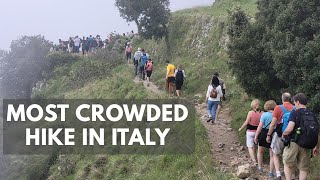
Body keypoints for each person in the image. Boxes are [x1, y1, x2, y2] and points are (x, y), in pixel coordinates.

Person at [282, 93, 319, 180]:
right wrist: (316, 146)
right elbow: (316, 132)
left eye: (294, 102)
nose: (294, 104)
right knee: (303, 168)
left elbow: (290, 128)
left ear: (298, 102)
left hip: (294, 142)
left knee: (288, 164)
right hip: (307, 144)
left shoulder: (295, 113)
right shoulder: (312, 114)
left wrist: (284, 134)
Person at [266, 92, 294, 180]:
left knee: (275, 153)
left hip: (279, 135)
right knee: (290, 156)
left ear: (282, 99)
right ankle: (291, 175)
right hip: (292, 136)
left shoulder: (278, 108)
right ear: (290, 99)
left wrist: (269, 135)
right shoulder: (295, 108)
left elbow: (273, 123)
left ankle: (278, 174)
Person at [254, 100, 277, 178]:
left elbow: (260, 126)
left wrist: (256, 136)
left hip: (264, 133)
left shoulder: (264, 115)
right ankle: (271, 172)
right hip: (273, 133)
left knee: (260, 152)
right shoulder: (276, 114)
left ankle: (260, 167)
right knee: (272, 155)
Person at [239, 99, 262, 166]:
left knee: (250, 146)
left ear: (252, 106)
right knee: (255, 145)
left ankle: (254, 160)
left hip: (250, 131)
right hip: (258, 132)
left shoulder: (250, 113)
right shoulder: (262, 113)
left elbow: (246, 122)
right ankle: (256, 158)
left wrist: (241, 128)